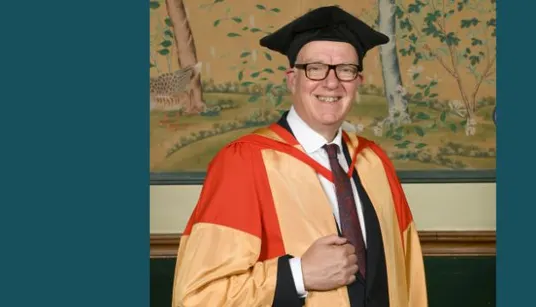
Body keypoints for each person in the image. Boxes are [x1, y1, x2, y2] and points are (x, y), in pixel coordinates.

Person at [172, 6, 428, 306]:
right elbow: (197, 297)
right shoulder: (244, 163)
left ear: (358, 81)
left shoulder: (374, 163)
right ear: (292, 79)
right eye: (315, 68)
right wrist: (298, 275)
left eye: (346, 69)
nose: (332, 83)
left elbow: (409, 280)